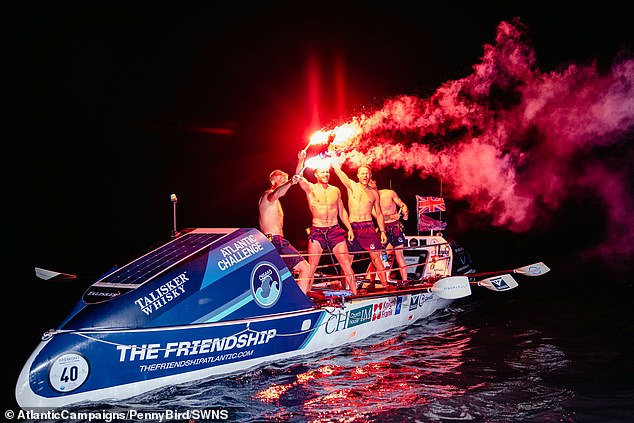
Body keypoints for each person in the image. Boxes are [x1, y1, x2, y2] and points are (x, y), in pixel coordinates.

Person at [297, 150, 357, 294]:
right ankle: (305, 298)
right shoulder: (310, 188)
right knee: (312, 267)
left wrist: (349, 228)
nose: (325, 175)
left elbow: (342, 210)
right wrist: (301, 160)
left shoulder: (335, 190)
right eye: (322, 172)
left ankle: (355, 294)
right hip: (317, 230)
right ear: (316, 174)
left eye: (327, 172)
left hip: (334, 230)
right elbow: (298, 176)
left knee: (347, 264)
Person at [331, 159, 390, 290]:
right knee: (347, 260)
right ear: (358, 175)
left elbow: (379, 213)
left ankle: (385, 287)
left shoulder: (374, 193)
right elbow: (339, 172)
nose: (365, 176)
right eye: (362, 173)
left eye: (367, 174)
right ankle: (346, 289)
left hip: (368, 228)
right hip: (353, 228)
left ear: (370, 176)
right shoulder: (351, 185)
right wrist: (333, 158)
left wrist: (383, 231)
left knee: (376, 259)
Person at [259, 158, 311, 294]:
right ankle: (301, 303)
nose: (284, 181)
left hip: (272, 241)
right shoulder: (268, 195)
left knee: (285, 274)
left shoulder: (274, 201)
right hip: (275, 240)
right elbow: (277, 193)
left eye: (285, 179)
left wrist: (300, 160)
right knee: (305, 267)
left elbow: (287, 187)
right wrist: (290, 182)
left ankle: (288, 301)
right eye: (281, 179)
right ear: (272, 181)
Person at [367, 178, 410, 283]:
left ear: (375, 182)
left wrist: (405, 212)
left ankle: (405, 281)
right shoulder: (368, 200)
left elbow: (402, 204)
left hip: (395, 228)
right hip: (383, 230)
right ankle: (372, 282)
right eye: (368, 182)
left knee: (399, 254)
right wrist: (391, 216)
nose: (371, 183)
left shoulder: (389, 193)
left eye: (372, 181)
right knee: (376, 257)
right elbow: (378, 216)